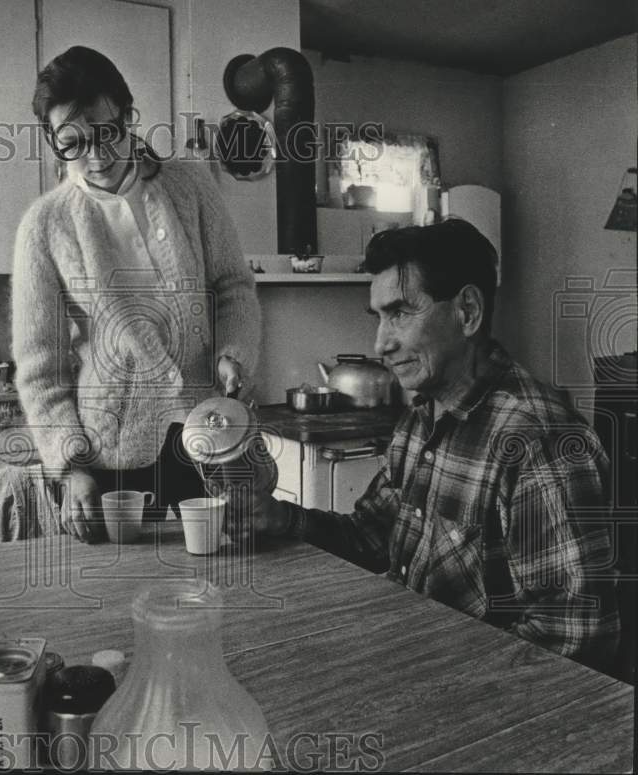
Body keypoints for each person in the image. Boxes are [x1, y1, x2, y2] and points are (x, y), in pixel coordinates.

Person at [247, 219, 620, 669]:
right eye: (379, 317)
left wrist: (436, 677)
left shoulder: (538, 440)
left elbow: (574, 636)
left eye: (401, 312)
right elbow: (371, 537)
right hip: (409, 656)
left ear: (467, 311)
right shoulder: (421, 417)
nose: (381, 342)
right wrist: (280, 518)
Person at [11, 45, 261, 543]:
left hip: (205, 434)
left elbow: (233, 287)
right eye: (73, 143)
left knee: (222, 573)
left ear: (128, 117)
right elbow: (42, 368)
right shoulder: (45, 224)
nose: (96, 156)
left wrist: (234, 354)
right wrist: (69, 465)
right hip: (110, 457)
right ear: (52, 142)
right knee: (120, 592)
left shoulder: (191, 185)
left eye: (107, 133)